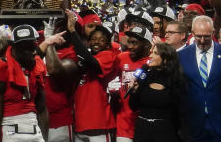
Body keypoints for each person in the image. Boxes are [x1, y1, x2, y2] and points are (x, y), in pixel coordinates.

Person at [177, 16, 221, 142]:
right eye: (198, 36)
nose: (202, 40)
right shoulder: (181, 56)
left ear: (213, 33)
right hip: (193, 124)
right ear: (192, 33)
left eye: (206, 36)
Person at [0, 25, 48, 142]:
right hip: (9, 129)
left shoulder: (37, 65)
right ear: (14, 48)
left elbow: (42, 109)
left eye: (33, 46)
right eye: (26, 47)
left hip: (35, 128)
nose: (32, 51)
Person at [69, 13, 118, 142]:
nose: (97, 41)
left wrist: (73, 32)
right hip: (80, 123)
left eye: (102, 39)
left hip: (99, 122)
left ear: (108, 44)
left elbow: (92, 62)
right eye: (94, 39)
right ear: (89, 42)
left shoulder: (108, 56)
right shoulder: (84, 58)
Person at [128, 43, 182, 142]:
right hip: (142, 130)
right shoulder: (144, 76)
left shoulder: (175, 79)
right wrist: (134, 91)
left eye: (155, 53)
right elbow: (133, 106)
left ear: (165, 58)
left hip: (164, 132)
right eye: (151, 52)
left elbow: (179, 110)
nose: (150, 56)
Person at [115, 25, 152, 142]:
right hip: (124, 121)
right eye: (129, 42)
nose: (129, 46)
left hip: (145, 120)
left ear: (147, 44)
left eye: (134, 43)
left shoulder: (153, 62)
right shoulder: (121, 58)